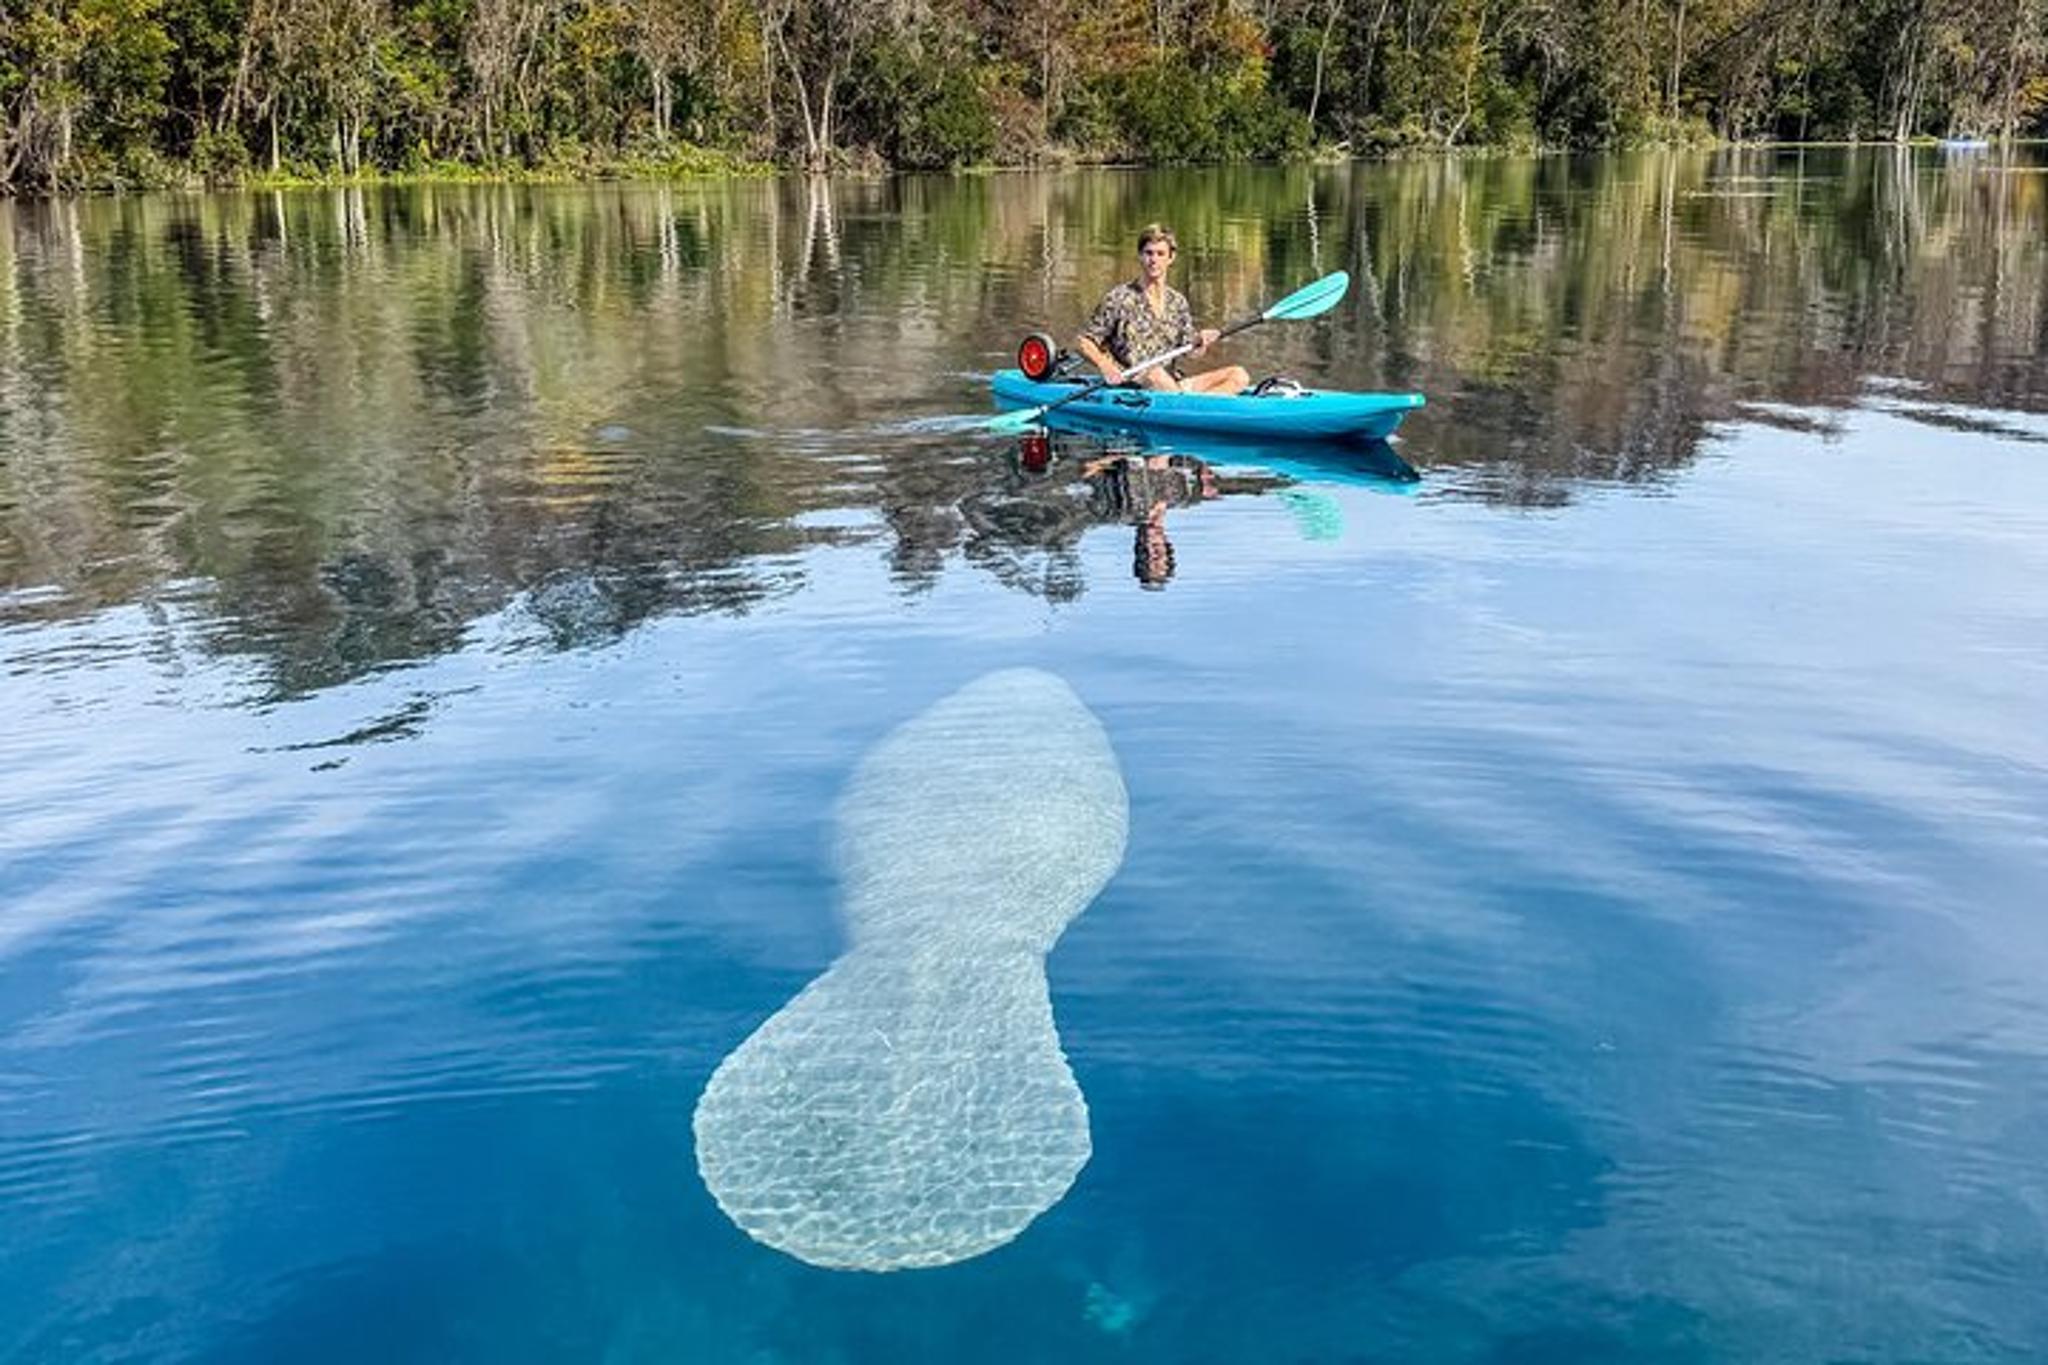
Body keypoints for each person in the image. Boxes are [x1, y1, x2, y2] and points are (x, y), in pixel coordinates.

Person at [1075, 224, 1251, 396]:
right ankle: (1193, 411)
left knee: (1239, 375)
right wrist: (1105, 366)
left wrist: (1201, 341)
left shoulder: (1178, 302)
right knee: (1155, 373)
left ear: (1171, 258)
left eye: (1160, 254)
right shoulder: (1119, 298)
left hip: (1172, 385)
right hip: (1134, 386)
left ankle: (1196, 411)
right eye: (1148, 253)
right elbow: (1083, 342)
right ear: (1140, 256)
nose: (1154, 260)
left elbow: (1191, 351)